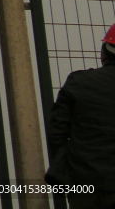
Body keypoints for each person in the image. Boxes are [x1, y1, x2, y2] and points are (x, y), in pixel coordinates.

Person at [45, 23, 115, 207]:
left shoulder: (79, 82)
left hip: (85, 183)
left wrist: (64, 171)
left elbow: (56, 133)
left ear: (105, 52)